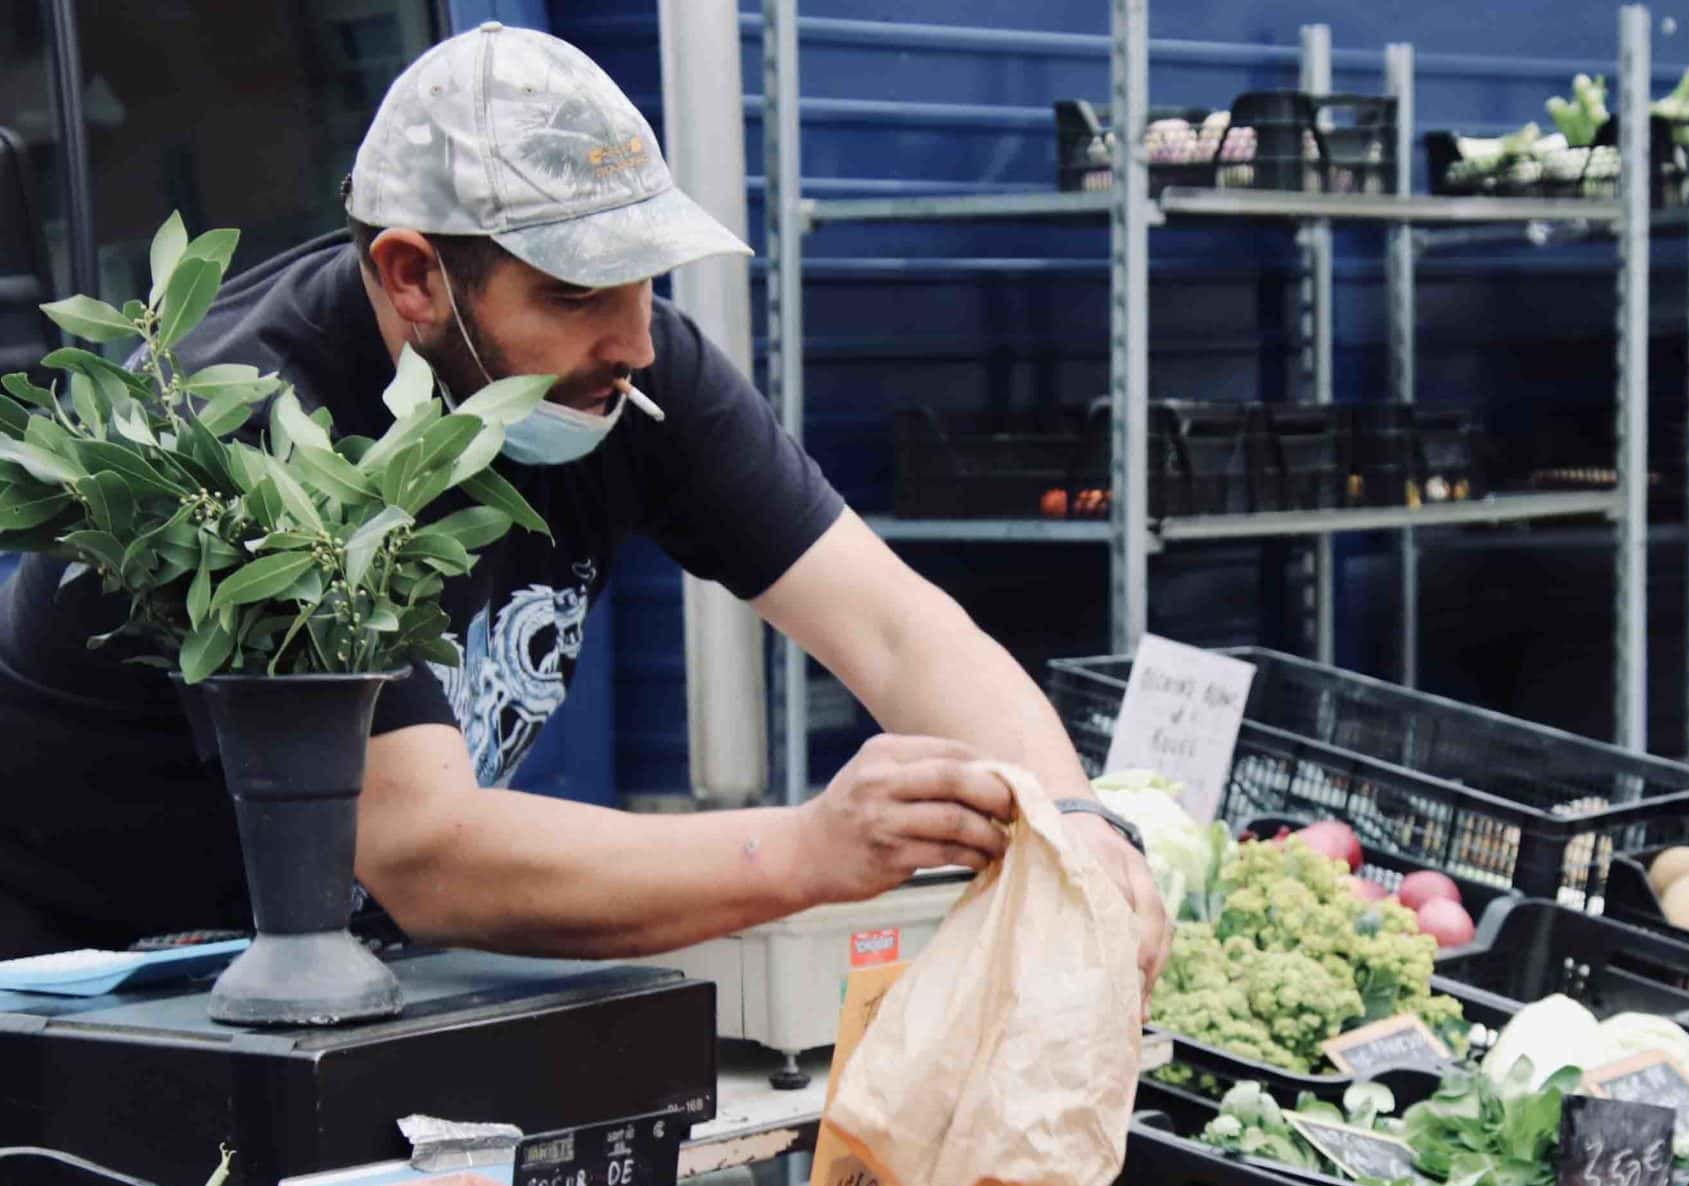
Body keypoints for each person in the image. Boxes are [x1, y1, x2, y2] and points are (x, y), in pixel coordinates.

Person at [0, 23, 1168, 983]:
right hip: (101, 996)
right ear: (414, 276)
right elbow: (426, 851)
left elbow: (896, 626)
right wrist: (808, 847)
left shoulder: (630, 369)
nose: (634, 336)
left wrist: (1075, 820)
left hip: (346, 982)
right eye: (572, 293)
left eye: (647, 278)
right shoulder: (244, 425)